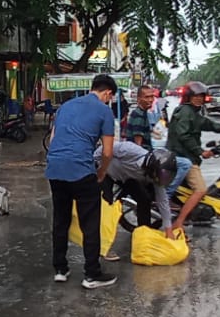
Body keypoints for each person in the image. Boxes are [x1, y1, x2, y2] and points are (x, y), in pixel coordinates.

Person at [44, 74, 120, 289]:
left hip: (55, 168)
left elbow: (53, 138)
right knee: (90, 223)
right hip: (81, 169)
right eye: (110, 97)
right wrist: (102, 173)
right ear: (107, 93)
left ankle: (60, 269)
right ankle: (92, 274)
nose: (109, 101)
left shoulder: (66, 106)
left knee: (61, 219)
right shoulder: (104, 111)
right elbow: (107, 152)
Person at [98, 144, 181, 261]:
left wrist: (168, 229)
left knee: (144, 199)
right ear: (152, 168)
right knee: (106, 205)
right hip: (107, 172)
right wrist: (95, 165)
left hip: (128, 178)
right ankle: (102, 247)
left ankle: (145, 236)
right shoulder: (130, 150)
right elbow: (105, 149)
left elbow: (162, 201)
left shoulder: (155, 175)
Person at [166, 81, 220, 221]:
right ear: (188, 97)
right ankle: (179, 222)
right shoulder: (185, 112)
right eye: (195, 96)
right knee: (201, 190)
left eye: (201, 96)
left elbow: (205, 123)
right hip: (184, 157)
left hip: (187, 156)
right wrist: (200, 151)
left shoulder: (192, 112)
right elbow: (184, 136)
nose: (199, 99)